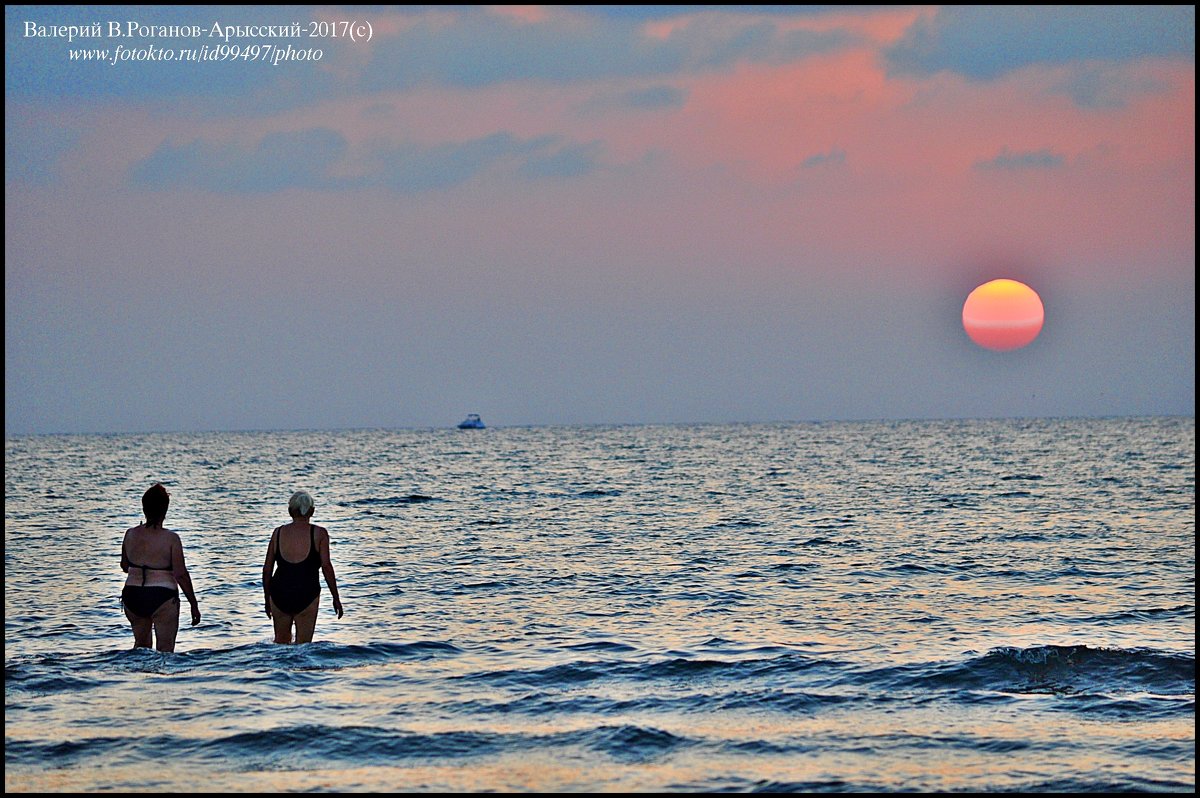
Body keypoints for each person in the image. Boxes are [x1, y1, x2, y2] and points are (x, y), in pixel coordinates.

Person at [120, 483, 201, 651]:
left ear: (144, 508)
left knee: (141, 648)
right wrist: (194, 604)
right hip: (162, 596)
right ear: (165, 510)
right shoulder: (171, 539)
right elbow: (180, 575)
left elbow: (125, 566)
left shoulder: (130, 534)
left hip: (133, 595)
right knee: (165, 651)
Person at [262, 490, 343, 643]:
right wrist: (336, 598)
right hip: (307, 593)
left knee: (280, 645)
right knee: (304, 647)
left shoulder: (278, 533)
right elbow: (326, 567)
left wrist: (267, 599)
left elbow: (267, 570)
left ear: (289, 511)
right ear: (312, 511)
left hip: (279, 593)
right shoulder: (319, 533)